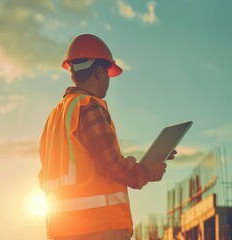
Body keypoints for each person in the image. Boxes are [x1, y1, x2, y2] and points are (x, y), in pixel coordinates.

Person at [38, 34, 177, 240]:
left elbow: (45, 179)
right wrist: (147, 171)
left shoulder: (55, 116)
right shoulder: (88, 106)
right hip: (98, 228)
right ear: (99, 72)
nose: (108, 82)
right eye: (108, 75)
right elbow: (111, 164)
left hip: (61, 230)